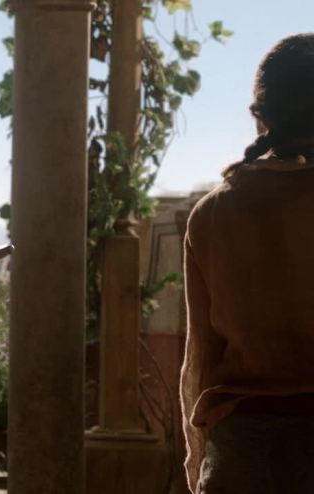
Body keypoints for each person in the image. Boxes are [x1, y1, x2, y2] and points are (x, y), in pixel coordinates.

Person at [181, 33, 314, 493]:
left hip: (239, 461)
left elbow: (201, 356)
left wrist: (198, 460)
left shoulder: (213, 213)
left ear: (261, 116)